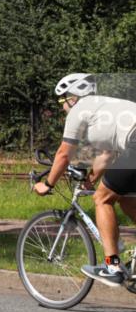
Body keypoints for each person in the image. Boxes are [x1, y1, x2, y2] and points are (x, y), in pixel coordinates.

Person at [32, 73, 136, 286]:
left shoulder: (80, 110)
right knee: (125, 199)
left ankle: (112, 266)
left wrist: (48, 183)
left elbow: (63, 154)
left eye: (62, 101)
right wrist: (91, 179)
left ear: (73, 97)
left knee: (101, 199)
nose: (62, 107)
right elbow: (106, 155)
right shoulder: (106, 105)